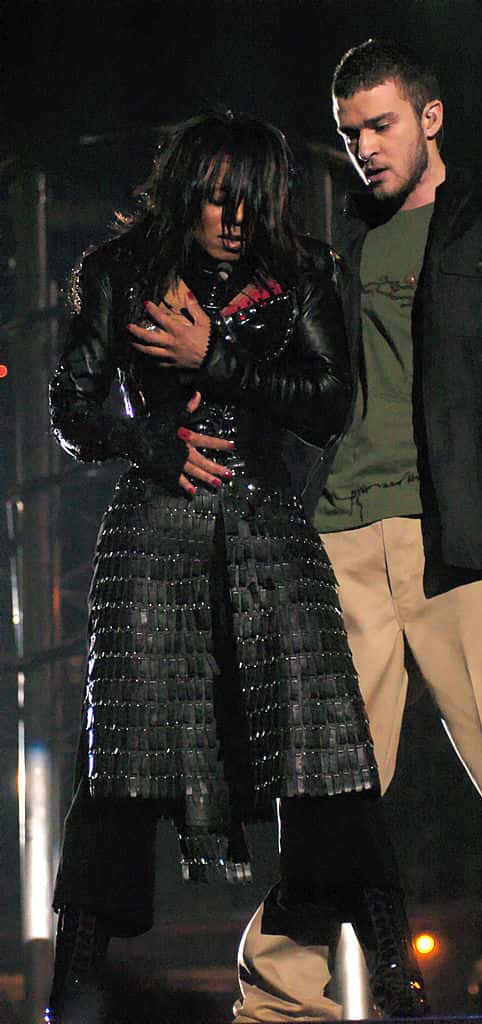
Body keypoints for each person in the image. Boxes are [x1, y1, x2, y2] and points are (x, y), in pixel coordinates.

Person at [235, 40, 482, 1020]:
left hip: (465, 531)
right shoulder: (336, 250)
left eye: (381, 124)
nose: (365, 145)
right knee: (327, 790)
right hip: (337, 542)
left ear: (431, 116)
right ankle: (280, 1000)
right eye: (350, 132)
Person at [46, 111, 428, 1022]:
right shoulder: (116, 272)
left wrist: (211, 357)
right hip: (154, 537)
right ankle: (77, 989)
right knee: (121, 763)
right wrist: (151, 442)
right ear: (187, 190)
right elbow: (71, 405)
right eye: (217, 198)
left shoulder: (302, 274)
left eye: (248, 202)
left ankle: (397, 973)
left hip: (269, 532)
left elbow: (328, 404)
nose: (232, 217)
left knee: (327, 744)